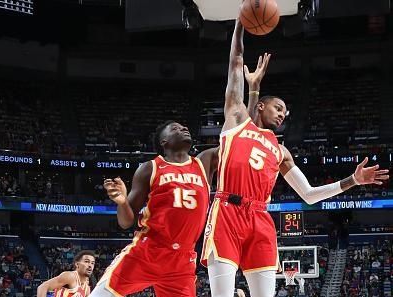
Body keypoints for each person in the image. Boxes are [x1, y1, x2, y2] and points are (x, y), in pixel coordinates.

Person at [201, 19, 389, 297]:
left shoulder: (281, 151)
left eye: (285, 113)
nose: (282, 114)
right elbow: (235, 61)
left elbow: (310, 195)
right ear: (261, 105)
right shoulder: (236, 121)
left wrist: (353, 180)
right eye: (278, 108)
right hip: (226, 211)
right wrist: (241, 21)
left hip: (260, 219)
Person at [90, 121, 217, 297]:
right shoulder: (150, 168)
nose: (184, 129)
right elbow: (126, 222)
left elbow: (234, 140)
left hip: (182, 261)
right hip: (147, 252)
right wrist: (122, 202)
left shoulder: (204, 162)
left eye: (184, 127)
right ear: (164, 141)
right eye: (175, 128)